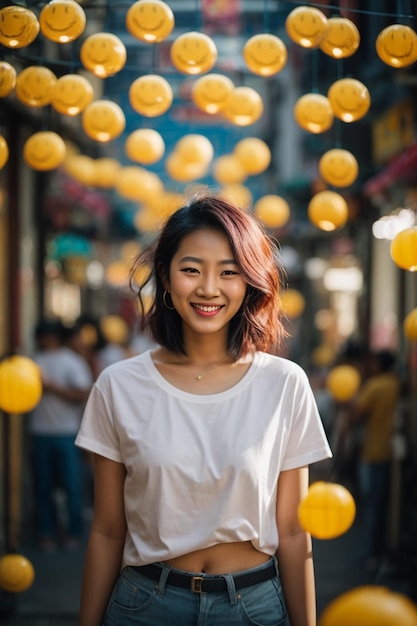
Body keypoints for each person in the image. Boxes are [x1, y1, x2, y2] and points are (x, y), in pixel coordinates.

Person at [75, 194, 332, 626]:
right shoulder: (119, 386)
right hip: (145, 605)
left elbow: (292, 530)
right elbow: (106, 530)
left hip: (254, 606)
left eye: (229, 272)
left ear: (249, 282)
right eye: (191, 269)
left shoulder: (284, 383)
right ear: (166, 278)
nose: (209, 288)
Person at [28, 319, 93, 551]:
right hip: (39, 432)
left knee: (72, 486)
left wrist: (50, 386)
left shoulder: (71, 361)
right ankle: (46, 533)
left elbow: (82, 393)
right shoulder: (33, 362)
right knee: (42, 487)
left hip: (67, 433)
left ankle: (72, 533)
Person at [348, 349, 402, 568]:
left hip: (373, 452)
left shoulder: (375, 386)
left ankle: (373, 552)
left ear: (379, 365)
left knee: (373, 504)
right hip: (393, 454)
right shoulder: (398, 385)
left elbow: (356, 414)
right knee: (386, 505)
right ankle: (384, 549)